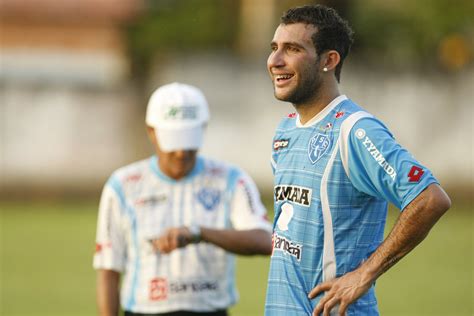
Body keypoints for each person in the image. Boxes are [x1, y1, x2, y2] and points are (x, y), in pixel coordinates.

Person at [265, 5, 451, 316]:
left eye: (292, 49)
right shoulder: (285, 130)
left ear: (329, 60)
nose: (275, 60)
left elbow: (430, 199)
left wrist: (365, 274)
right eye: (274, 48)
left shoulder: (354, 130)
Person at [93, 82, 272, 316]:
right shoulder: (123, 185)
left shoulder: (230, 179)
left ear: (203, 127)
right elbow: (109, 268)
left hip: (210, 310)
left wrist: (199, 233)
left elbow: (266, 240)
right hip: (143, 310)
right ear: (151, 131)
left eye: (188, 140)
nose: (181, 152)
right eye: (173, 141)